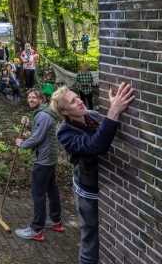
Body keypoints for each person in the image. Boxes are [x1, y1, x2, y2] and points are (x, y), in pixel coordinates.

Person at [52, 83, 134, 264]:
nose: (80, 102)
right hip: (87, 191)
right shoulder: (64, 133)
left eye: (78, 97)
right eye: (73, 102)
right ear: (65, 112)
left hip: (104, 184)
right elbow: (96, 145)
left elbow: (107, 125)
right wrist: (114, 110)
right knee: (90, 237)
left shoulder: (90, 115)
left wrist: (114, 107)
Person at [14, 89, 63, 241]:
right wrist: (29, 124)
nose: (30, 100)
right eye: (29, 97)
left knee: (38, 194)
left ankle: (36, 229)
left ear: (41, 99)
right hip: (50, 157)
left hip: (43, 160)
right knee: (51, 189)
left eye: (34, 97)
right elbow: (40, 131)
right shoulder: (44, 113)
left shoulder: (42, 115)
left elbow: (36, 138)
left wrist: (22, 143)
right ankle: (56, 221)